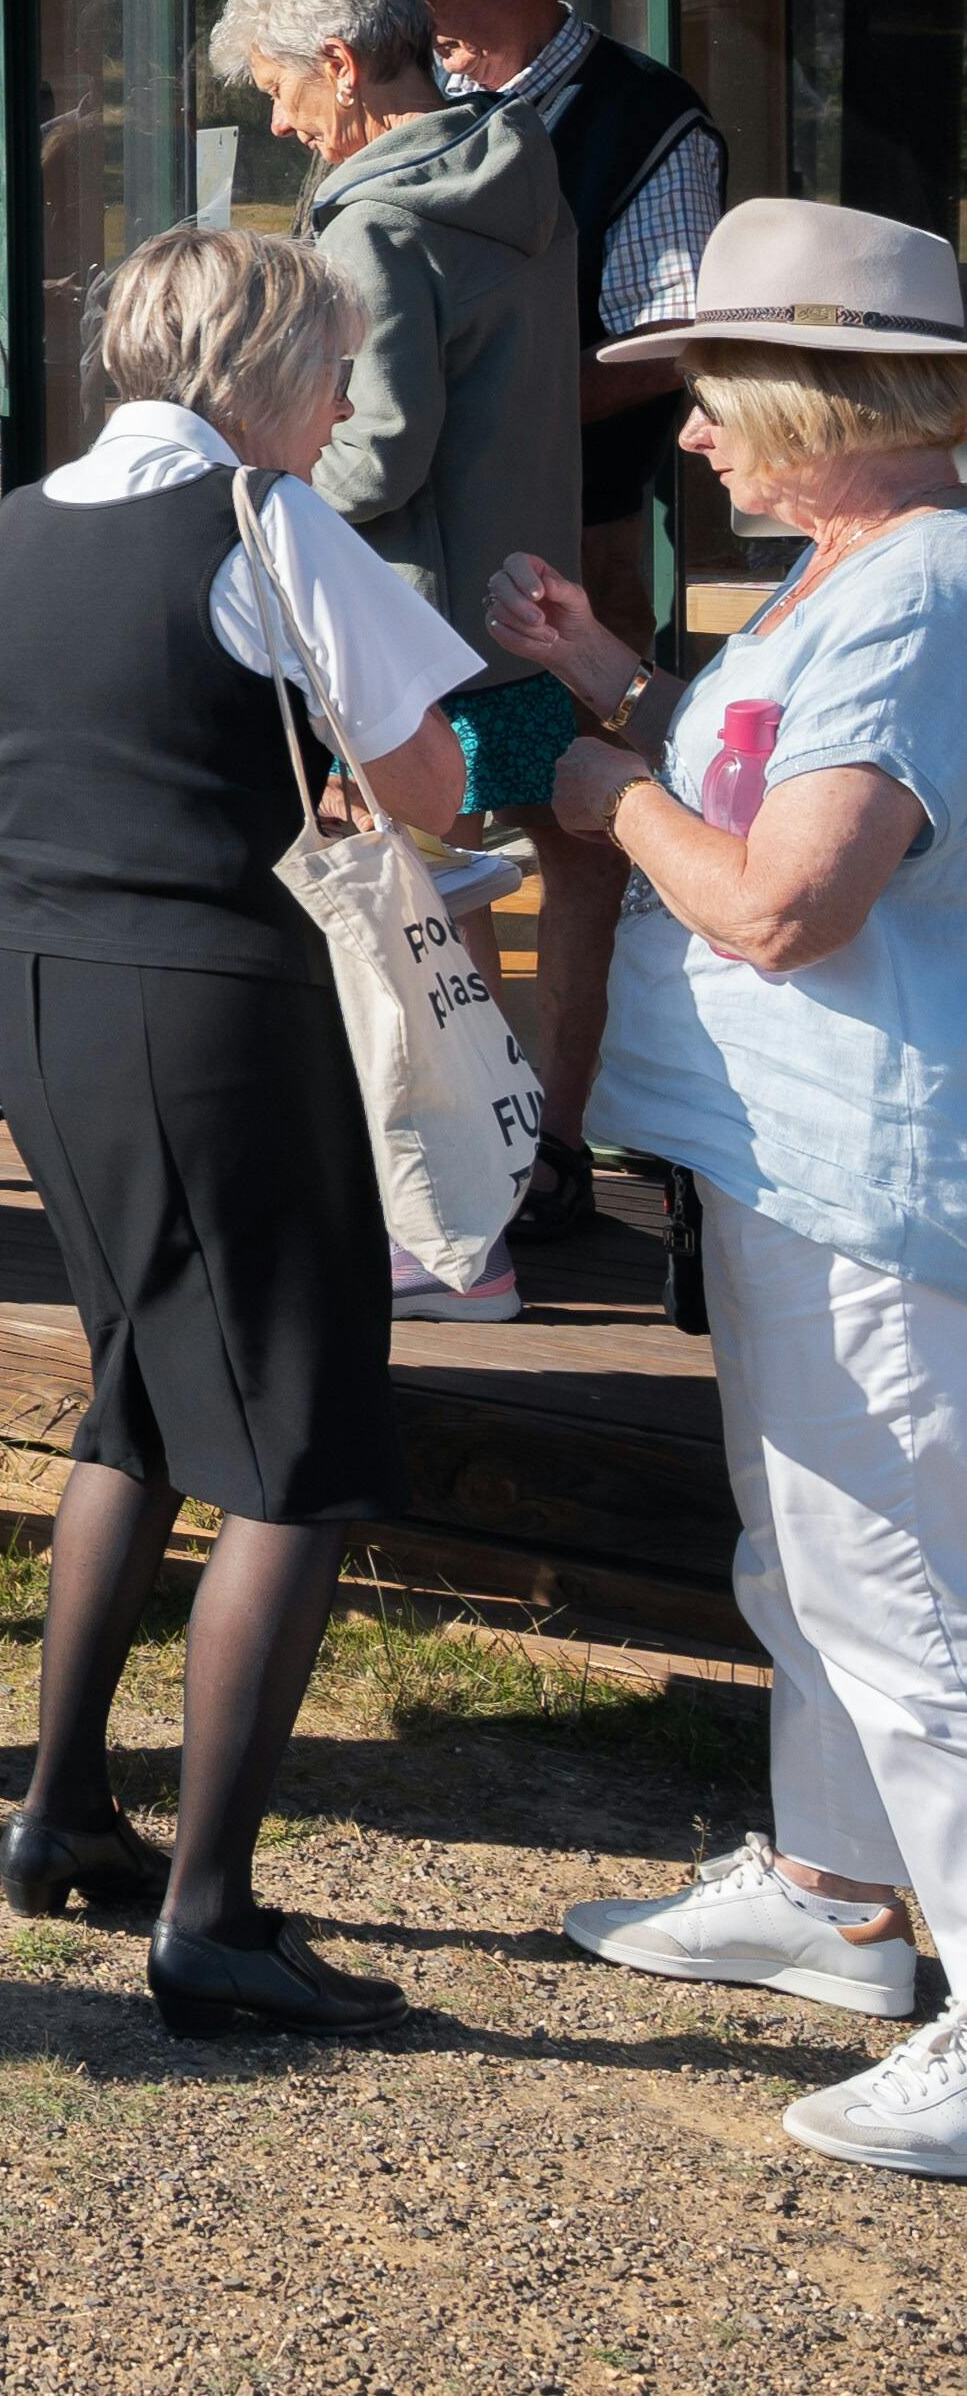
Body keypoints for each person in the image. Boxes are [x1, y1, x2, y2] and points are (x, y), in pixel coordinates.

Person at [0, 226, 477, 2037]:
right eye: (328, 364)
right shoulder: (264, 521)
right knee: (293, 1433)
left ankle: (58, 1806)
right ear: (246, 366)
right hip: (208, 995)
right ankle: (208, 1909)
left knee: (139, 1390)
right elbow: (428, 778)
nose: (339, 401)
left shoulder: (5, 530)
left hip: (36, 975)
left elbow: (12, 762)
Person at [477, 200, 967, 2177]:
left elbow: (779, 895)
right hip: (790, 1156)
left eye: (708, 388)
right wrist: (608, 678)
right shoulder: (842, 568)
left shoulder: (915, 585)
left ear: (815, 387)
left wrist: (600, 787)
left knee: (903, 1593)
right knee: (808, 1558)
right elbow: (766, 786)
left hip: (866, 1170)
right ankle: (837, 1888)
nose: (685, 430)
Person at [214, 0, 575, 1325]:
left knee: (406, 933)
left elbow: (369, 454)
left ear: (341, 64)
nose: (272, 117)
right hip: (510, 611)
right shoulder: (516, 168)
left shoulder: (373, 217)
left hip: (405, 628)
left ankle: (450, 1234)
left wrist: (241, 495)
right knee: (453, 914)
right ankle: (485, 1199)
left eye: (276, 86)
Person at [373, 0, 731, 1248]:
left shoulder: (642, 117)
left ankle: (559, 1142)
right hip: (416, 529)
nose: (426, 23)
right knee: (409, 819)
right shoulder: (417, 103)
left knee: (573, 829)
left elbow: (670, 341)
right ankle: (454, 1131)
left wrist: (488, 404)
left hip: (567, 542)